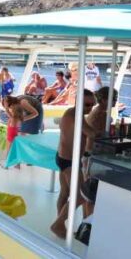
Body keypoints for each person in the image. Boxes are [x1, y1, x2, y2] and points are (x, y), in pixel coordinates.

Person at [51, 89, 98, 239]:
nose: (89, 108)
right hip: (70, 161)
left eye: (92, 105)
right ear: (78, 102)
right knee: (81, 195)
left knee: (65, 193)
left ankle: (60, 225)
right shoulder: (76, 115)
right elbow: (91, 134)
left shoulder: (72, 112)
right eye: (87, 104)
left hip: (63, 158)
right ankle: (58, 224)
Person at [85, 87, 118, 152]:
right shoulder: (101, 114)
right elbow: (104, 134)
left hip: (91, 145)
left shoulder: (97, 110)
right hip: (93, 147)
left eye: (116, 98)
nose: (115, 100)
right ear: (103, 100)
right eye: (113, 98)